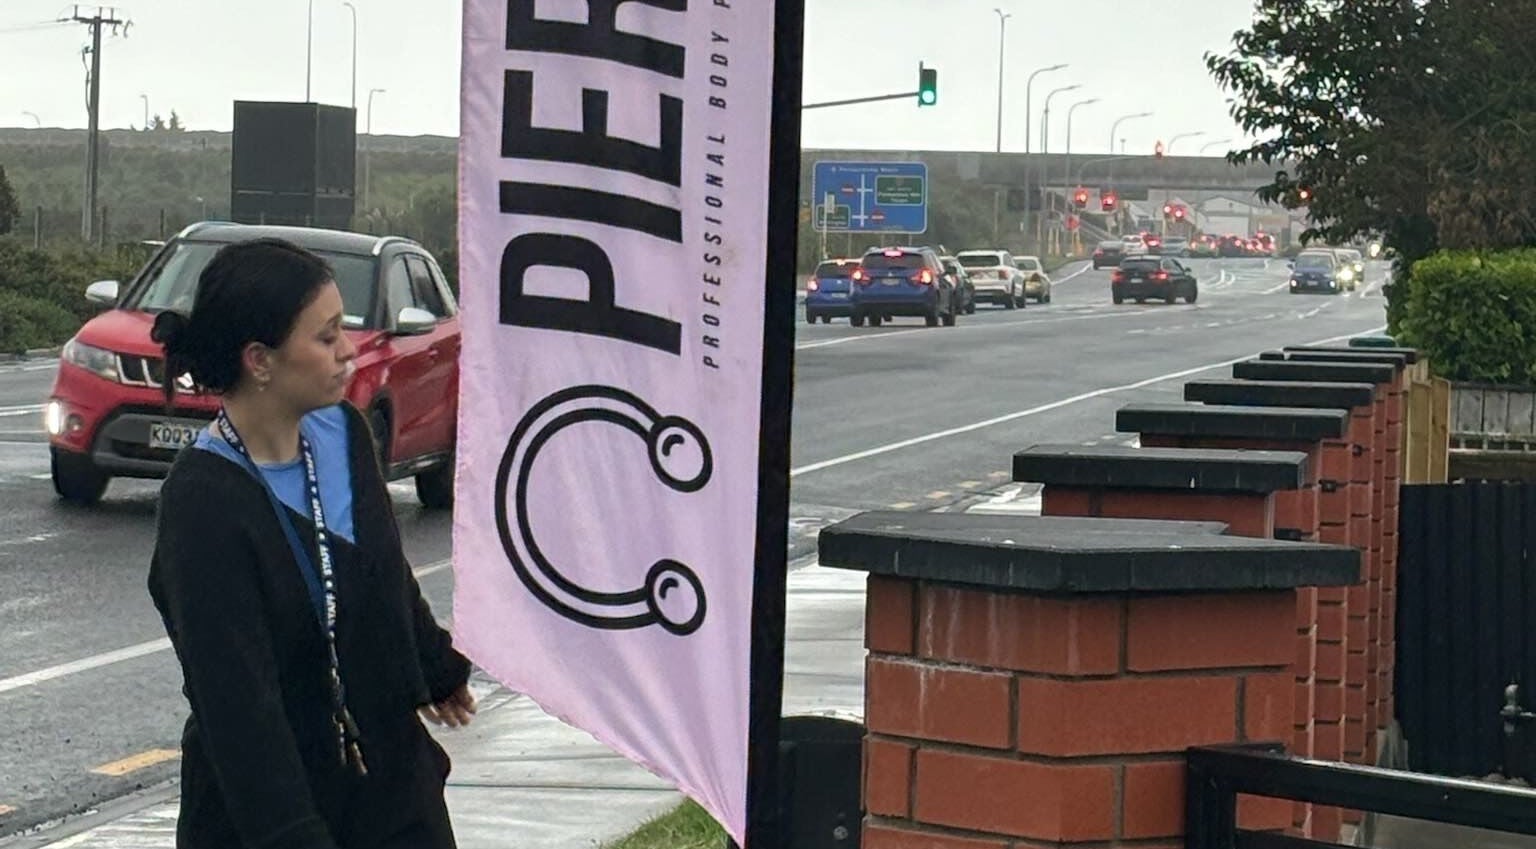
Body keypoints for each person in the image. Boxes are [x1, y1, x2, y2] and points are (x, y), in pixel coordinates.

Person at [147, 238, 476, 849]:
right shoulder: (202, 502)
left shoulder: (343, 431)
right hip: (274, 810)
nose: (348, 350)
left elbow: (382, 568)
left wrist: (435, 665)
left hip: (389, 779)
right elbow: (236, 703)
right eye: (326, 338)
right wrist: (291, 834)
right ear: (260, 360)